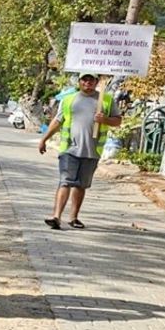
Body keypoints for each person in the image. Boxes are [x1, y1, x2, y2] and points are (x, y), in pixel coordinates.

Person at [37, 73, 121, 229]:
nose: (88, 82)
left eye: (91, 80)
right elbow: (57, 121)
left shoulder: (106, 99)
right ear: (80, 82)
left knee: (81, 185)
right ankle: (56, 217)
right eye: (85, 79)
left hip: (92, 150)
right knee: (66, 181)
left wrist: (105, 120)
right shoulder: (69, 99)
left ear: (96, 82)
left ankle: (74, 218)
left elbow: (118, 120)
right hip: (70, 148)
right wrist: (44, 139)